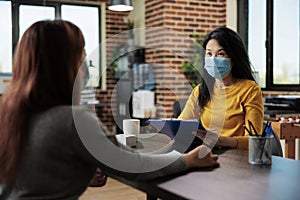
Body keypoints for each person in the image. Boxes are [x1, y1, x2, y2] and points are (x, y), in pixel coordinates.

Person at [0, 20, 219, 199]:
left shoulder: (10, 113)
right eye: (82, 55)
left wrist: (79, 166)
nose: (87, 65)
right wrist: (188, 160)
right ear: (63, 65)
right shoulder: (72, 121)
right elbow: (134, 164)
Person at [178, 26, 264, 150]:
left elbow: (254, 141)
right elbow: (181, 124)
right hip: (208, 155)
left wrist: (222, 141)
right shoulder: (200, 90)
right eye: (209, 54)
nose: (213, 59)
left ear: (233, 58)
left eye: (220, 54)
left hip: (238, 159)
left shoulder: (250, 90)